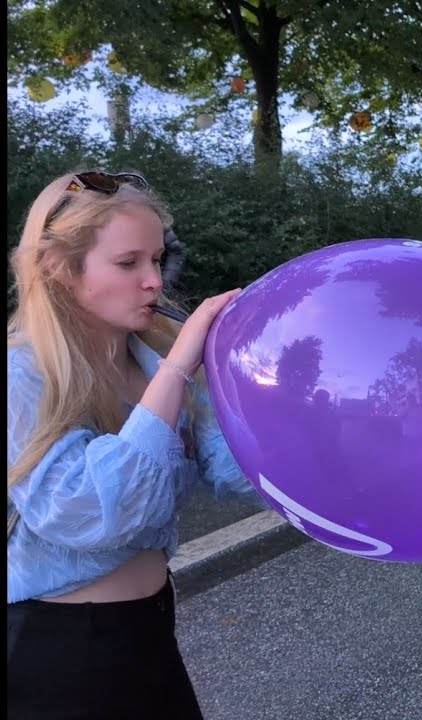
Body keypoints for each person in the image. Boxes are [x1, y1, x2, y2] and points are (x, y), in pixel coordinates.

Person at [7, 171, 256, 718]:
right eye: (128, 263)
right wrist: (178, 370)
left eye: (157, 260)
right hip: (59, 652)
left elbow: (234, 468)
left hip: (151, 633)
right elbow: (91, 511)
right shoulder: (23, 373)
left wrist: (285, 401)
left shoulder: (150, 357)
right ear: (58, 269)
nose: (153, 282)